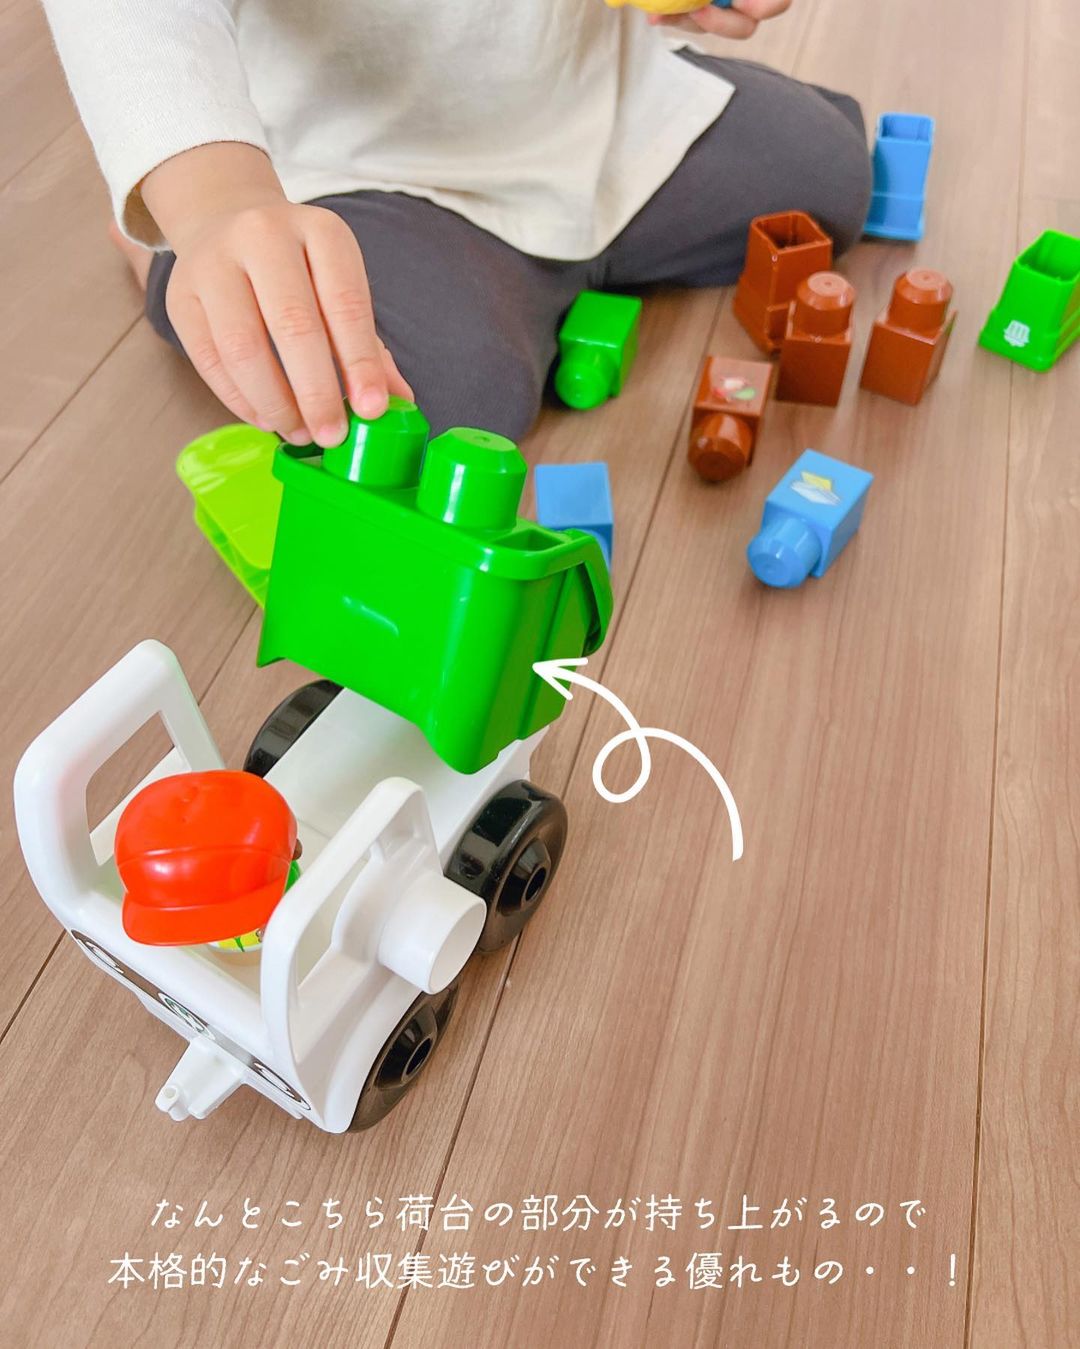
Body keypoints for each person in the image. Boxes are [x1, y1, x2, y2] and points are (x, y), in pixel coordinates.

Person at [42, 1, 870, 443]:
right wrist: (211, 200)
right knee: (438, 406)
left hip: (588, 97)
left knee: (825, 174)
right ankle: (166, 254)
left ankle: (539, 285)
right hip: (358, 165)